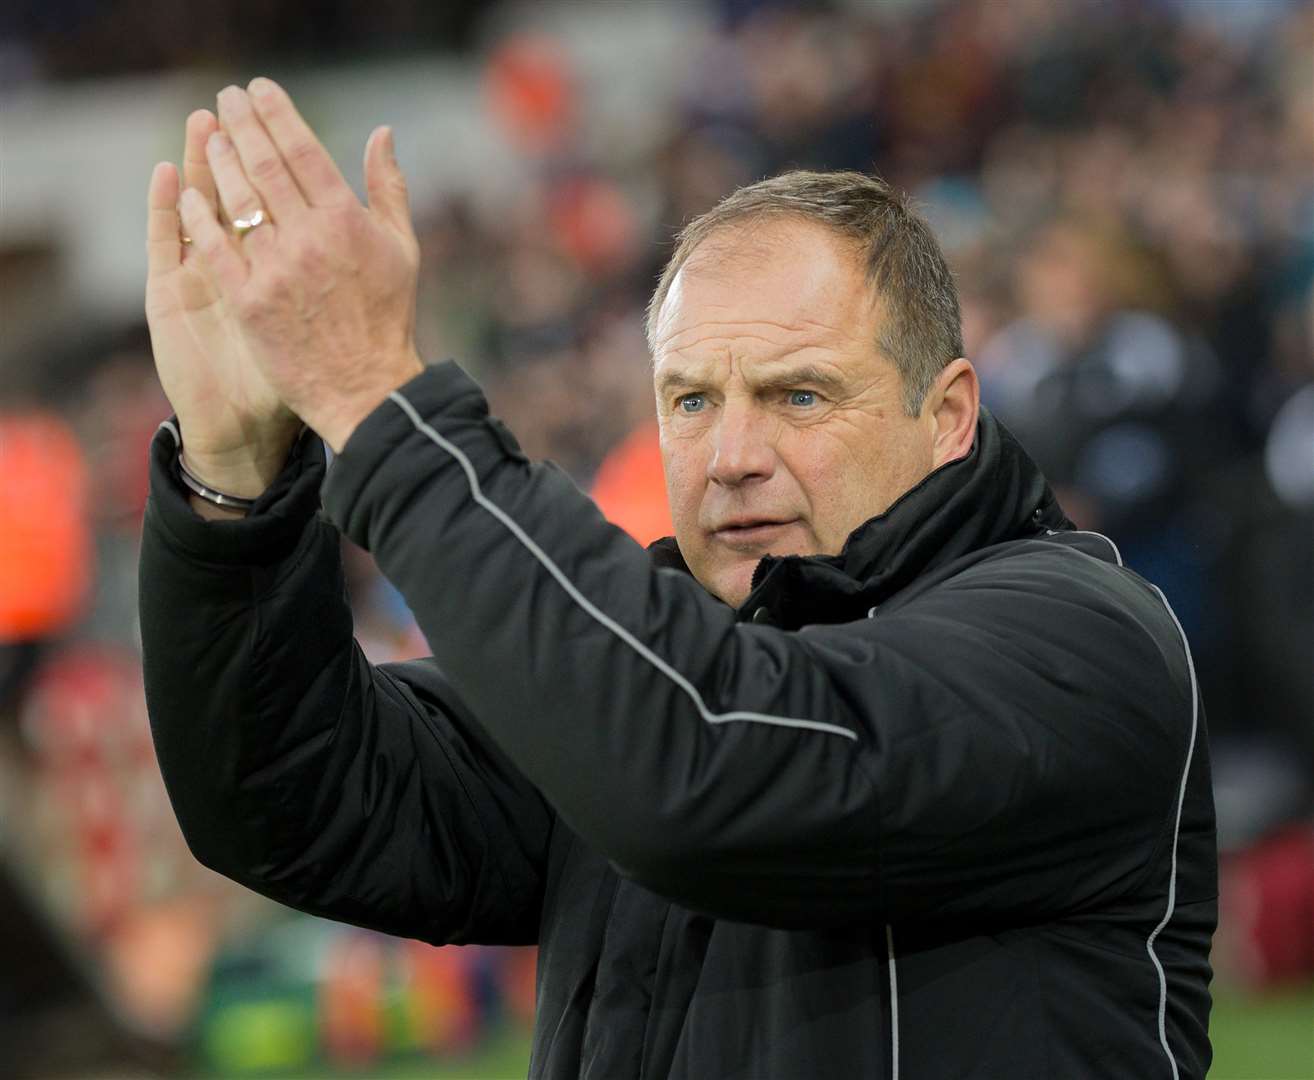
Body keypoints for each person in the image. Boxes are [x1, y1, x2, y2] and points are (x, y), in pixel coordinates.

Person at [140, 79, 1216, 1079]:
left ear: (946, 417)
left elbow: (714, 764)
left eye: (800, 396)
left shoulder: (1079, 640)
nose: (731, 455)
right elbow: (290, 796)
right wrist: (235, 481)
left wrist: (383, 404)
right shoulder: (647, 676)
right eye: (692, 400)